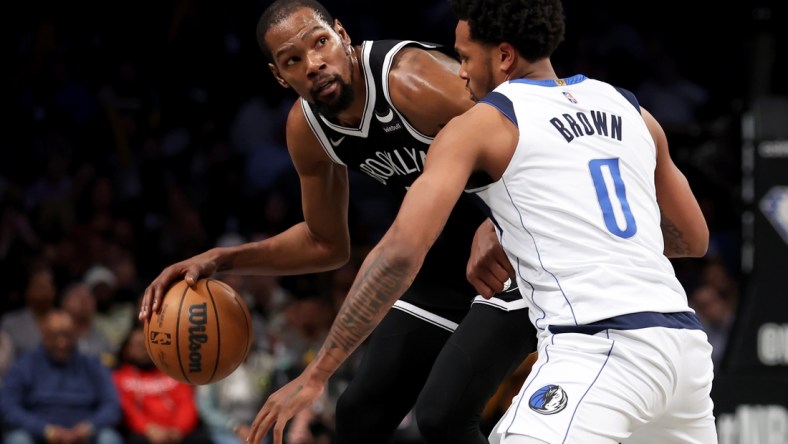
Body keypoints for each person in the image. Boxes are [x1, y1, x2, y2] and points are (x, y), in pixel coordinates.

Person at [246, 0, 718, 443]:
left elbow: (398, 254)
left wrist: (316, 374)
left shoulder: (481, 124)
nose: (460, 70)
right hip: (685, 349)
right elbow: (692, 239)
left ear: (504, 57)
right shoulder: (631, 108)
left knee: (448, 414)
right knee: (413, 412)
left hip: (598, 348)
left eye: (465, 57)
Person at [138, 0, 535, 442]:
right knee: (358, 416)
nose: (313, 64)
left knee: (441, 416)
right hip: (442, 268)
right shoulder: (308, 129)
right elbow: (325, 243)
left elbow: (537, 129)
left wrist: (497, 222)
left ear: (342, 35)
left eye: (320, 43)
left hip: (517, 255)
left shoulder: (411, 80)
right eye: (292, 60)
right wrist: (221, 259)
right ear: (278, 75)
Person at [0, 310, 123, 444]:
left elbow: (112, 405)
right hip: (38, 435)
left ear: (76, 335)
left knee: (109, 438)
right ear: (44, 335)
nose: (62, 343)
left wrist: (89, 426)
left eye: (67, 336)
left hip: (85, 435)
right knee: (18, 440)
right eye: (55, 336)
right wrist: (44, 429)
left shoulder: (92, 365)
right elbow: (8, 406)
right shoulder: (24, 366)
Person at [111, 324, 213, 444]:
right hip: (146, 434)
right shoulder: (119, 378)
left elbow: (187, 403)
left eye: (147, 345)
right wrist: (149, 430)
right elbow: (128, 410)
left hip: (178, 432)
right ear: (127, 350)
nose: (144, 349)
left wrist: (178, 429)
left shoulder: (173, 372)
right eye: (138, 345)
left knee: (202, 439)